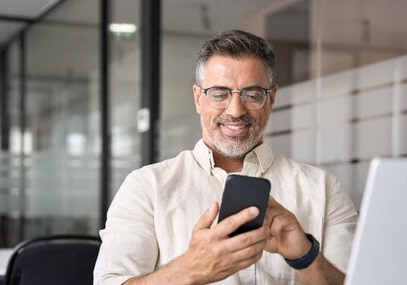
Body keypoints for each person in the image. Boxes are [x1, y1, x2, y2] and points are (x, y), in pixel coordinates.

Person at [93, 30, 358, 285]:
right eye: (219, 94)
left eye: (253, 94)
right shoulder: (146, 187)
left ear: (272, 98)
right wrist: (189, 269)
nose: (235, 110)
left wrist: (305, 256)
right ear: (198, 98)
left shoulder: (324, 189)